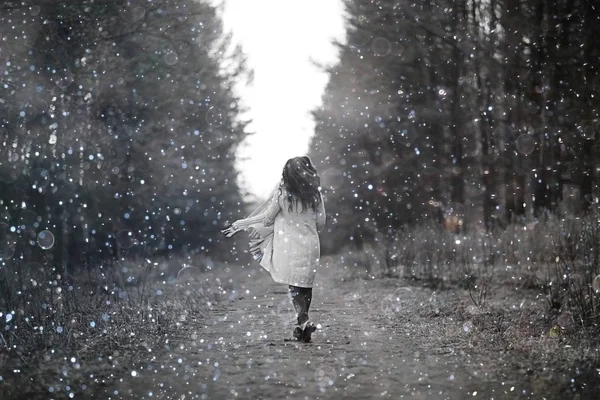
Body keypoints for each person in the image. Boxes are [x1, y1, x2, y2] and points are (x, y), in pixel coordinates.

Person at [222, 156, 326, 342]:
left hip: (289, 246)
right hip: (311, 244)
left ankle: (303, 320)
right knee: (306, 284)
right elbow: (321, 223)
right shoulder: (315, 195)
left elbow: (267, 219)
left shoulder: (282, 194)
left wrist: (241, 223)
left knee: (294, 285)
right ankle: (302, 324)